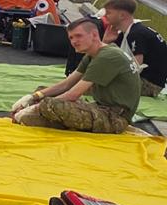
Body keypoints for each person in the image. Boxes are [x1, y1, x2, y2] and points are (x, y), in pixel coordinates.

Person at [11, 18, 140, 134]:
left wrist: (35, 108)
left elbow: (73, 94)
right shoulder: (93, 54)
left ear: (94, 35)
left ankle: (41, 118)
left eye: (78, 36)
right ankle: (43, 117)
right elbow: (67, 84)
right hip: (101, 107)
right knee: (43, 91)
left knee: (49, 104)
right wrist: (33, 97)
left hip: (114, 118)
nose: (74, 41)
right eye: (71, 38)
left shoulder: (107, 56)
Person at [100, 0, 166, 97]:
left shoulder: (136, 34)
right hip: (144, 79)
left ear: (122, 15)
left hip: (149, 84)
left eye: (109, 13)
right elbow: (108, 58)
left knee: (99, 86)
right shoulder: (128, 31)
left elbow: (136, 66)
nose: (105, 16)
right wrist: (105, 41)